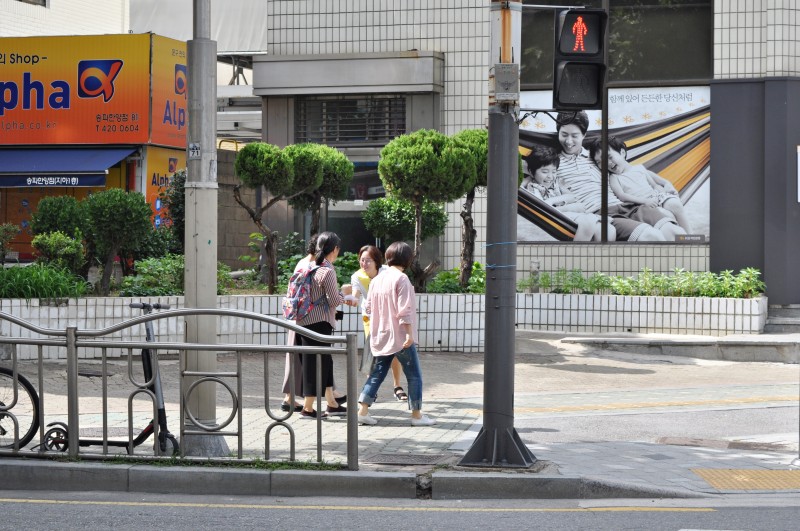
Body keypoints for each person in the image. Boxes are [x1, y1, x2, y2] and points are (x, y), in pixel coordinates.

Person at [555, 110, 683, 241]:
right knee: (652, 237)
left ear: (584, 135)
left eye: (574, 136)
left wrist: (665, 183)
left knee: (675, 233)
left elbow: (633, 170)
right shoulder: (553, 164)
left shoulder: (596, 155)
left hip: (630, 206)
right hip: (603, 213)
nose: (569, 141)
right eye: (564, 135)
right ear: (558, 132)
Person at [356, 241, 436, 427]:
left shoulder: (376, 280)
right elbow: (404, 311)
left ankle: (362, 411)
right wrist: (409, 335)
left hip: (381, 336)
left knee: (376, 374)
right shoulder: (401, 279)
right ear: (407, 259)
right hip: (400, 337)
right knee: (414, 375)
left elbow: (368, 308)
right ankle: (416, 415)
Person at [295, 231, 351, 419]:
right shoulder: (327, 270)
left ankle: (332, 404)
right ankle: (308, 409)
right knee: (316, 363)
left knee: (324, 361)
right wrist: (346, 297)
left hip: (302, 320)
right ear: (334, 249)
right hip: (320, 322)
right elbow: (334, 300)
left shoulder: (309, 266)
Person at [589, 136, 692, 233]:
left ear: (622, 153)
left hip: (656, 198)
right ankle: (679, 239)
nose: (607, 163)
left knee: (675, 204)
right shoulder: (614, 178)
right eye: (599, 162)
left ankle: (689, 237)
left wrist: (663, 190)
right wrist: (645, 201)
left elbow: (654, 184)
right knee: (666, 216)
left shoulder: (639, 168)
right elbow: (622, 196)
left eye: (609, 157)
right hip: (641, 206)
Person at [345, 245, 408, 401]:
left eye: (368, 260)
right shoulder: (357, 276)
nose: (364, 264)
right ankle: (370, 391)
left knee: (393, 354)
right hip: (371, 319)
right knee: (371, 354)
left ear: (377, 261)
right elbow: (356, 295)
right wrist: (349, 299)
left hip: (390, 318)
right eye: (362, 260)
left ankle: (397, 386)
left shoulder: (388, 271)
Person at [522, 145, 615, 242]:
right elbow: (521, 192)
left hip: (569, 217)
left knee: (609, 231)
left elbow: (572, 197)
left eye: (554, 171)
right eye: (545, 172)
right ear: (531, 172)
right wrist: (529, 178)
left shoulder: (557, 182)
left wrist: (551, 200)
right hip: (556, 219)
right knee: (589, 220)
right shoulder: (532, 186)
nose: (550, 176)